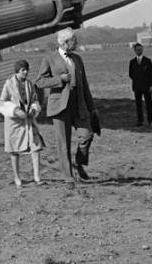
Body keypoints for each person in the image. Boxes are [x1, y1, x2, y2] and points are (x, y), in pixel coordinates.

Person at [35, 28, 97, 188]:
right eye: (74, 40)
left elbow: (85, 84)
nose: (77, 43)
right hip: (60, 107)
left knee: (87, 135)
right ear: (66, 42)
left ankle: (79, 162)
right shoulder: (49, 58)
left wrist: (92, 107)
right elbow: (40, 82)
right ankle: (68, 177)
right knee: (63, 143)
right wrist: (59, 80)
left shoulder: (77, 58)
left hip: (79, 104)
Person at [0, 60, 45, 188]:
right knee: (14, 150)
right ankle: (17, 178)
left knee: (36, 145)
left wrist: (34, 108)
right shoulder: (8, 84)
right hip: (14, 122)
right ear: (17, 71)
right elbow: (2, 101)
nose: (25, 72)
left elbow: (34, 99)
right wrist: (15, 110)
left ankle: (37, 176)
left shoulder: (30, 84)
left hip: (28, 120)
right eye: (23, 70)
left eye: (26, 69)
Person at [128, 43, 152, 126]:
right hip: (137, 86)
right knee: (138, 105)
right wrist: (137, 80)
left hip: (147, 86)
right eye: (137, 50)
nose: (139, 51)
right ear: (135, 51)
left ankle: (150, 121)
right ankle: (140, 121)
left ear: (142, 50)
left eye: (140, 49)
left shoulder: (147, 61)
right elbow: (130, 74)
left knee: (149, 105)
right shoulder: (132, 62)